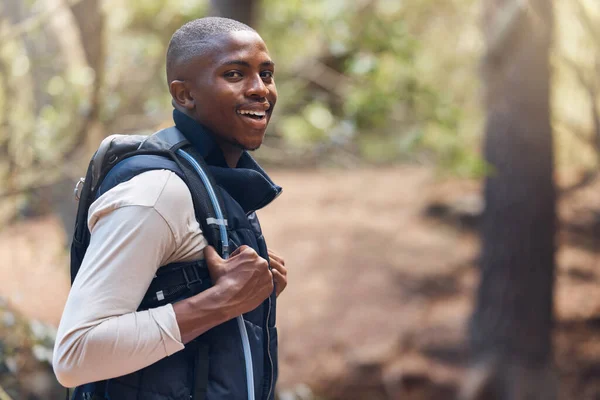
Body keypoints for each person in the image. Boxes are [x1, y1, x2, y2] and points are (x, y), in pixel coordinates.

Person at [53, 17, 287, 400]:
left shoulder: (218, 183)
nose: (260, 89)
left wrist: (250, 292)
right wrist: (222, 300)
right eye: (234, 74)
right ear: (184, 96)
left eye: (266, 74)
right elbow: (74, 355)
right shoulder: (157, 193)